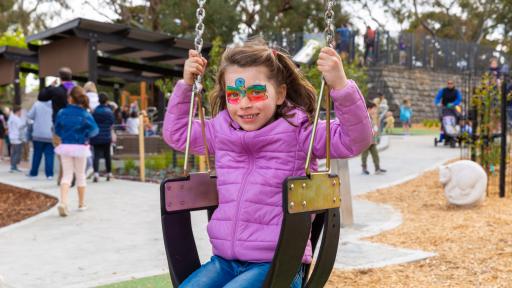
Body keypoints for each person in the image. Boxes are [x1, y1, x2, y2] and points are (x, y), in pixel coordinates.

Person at [163, 38, 372, 287]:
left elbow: (356, 139)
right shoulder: (221, 131)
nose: (244, 103)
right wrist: (187, 85)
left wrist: (340, 84)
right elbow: (177, 134)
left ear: (280, 93)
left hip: (279, 267)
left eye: (255, 92)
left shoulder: (301, 133)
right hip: (224, 262)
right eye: (234, 94)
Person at [54, 86, 98, 217]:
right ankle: (81, 203)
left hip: (65, 146)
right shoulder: (85, 114)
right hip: (80, 147)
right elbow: (95, 130)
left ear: (70, 98)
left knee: (66, 175)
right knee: (80, 175)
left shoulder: (62, 112)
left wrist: (64, 135)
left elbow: (57, 130)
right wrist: (85, 135)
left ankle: (63, 202)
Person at [38, 67, 75, 184]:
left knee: (60, 151)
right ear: (70, 77)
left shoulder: (55, 90)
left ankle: (66, 176)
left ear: (60, 77)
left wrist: (50, 86)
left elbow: (41, 97)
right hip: (74, 125)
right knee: (71, 150)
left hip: (59, 125)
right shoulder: (75, 90)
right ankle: (67, 175)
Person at [27, 93, 55, 179]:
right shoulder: (54, 105)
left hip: (38, 134)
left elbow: (29, 116)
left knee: (37, 154)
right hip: (50, 134)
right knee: (49, 155)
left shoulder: (37, 104)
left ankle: (33, 174)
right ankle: (49, 175)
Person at [90, 93, 115, 182]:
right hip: (107, 136)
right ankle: (109, 173)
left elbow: (91, 123)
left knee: (96, 155)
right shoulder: (109, 112)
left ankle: (96, 174)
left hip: (96, 136)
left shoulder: (95, 111)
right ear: (107, 101)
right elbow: (112, 123)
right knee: (107, 155)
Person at [361, 102, 386, 175]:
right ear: (369, 109)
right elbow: (365, 127)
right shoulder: (365, 117)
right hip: (366, 140)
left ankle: (377, 168)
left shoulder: (371, 117)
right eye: (374, 109)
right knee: (364, 155)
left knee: (375, 154)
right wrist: (373, 130)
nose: (375, 111)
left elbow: (373, 127)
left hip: (372, 140)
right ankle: (364, 168)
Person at [7, 106, 26, 172]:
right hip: (17, 137)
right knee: (17, 153)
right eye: (20, 111)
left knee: (13, 152)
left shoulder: (11, 118)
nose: (21, 113)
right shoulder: (17, 119)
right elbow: (21, 128)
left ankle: (13, 166)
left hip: (12, 137)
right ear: (17, 111)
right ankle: (14, 167)